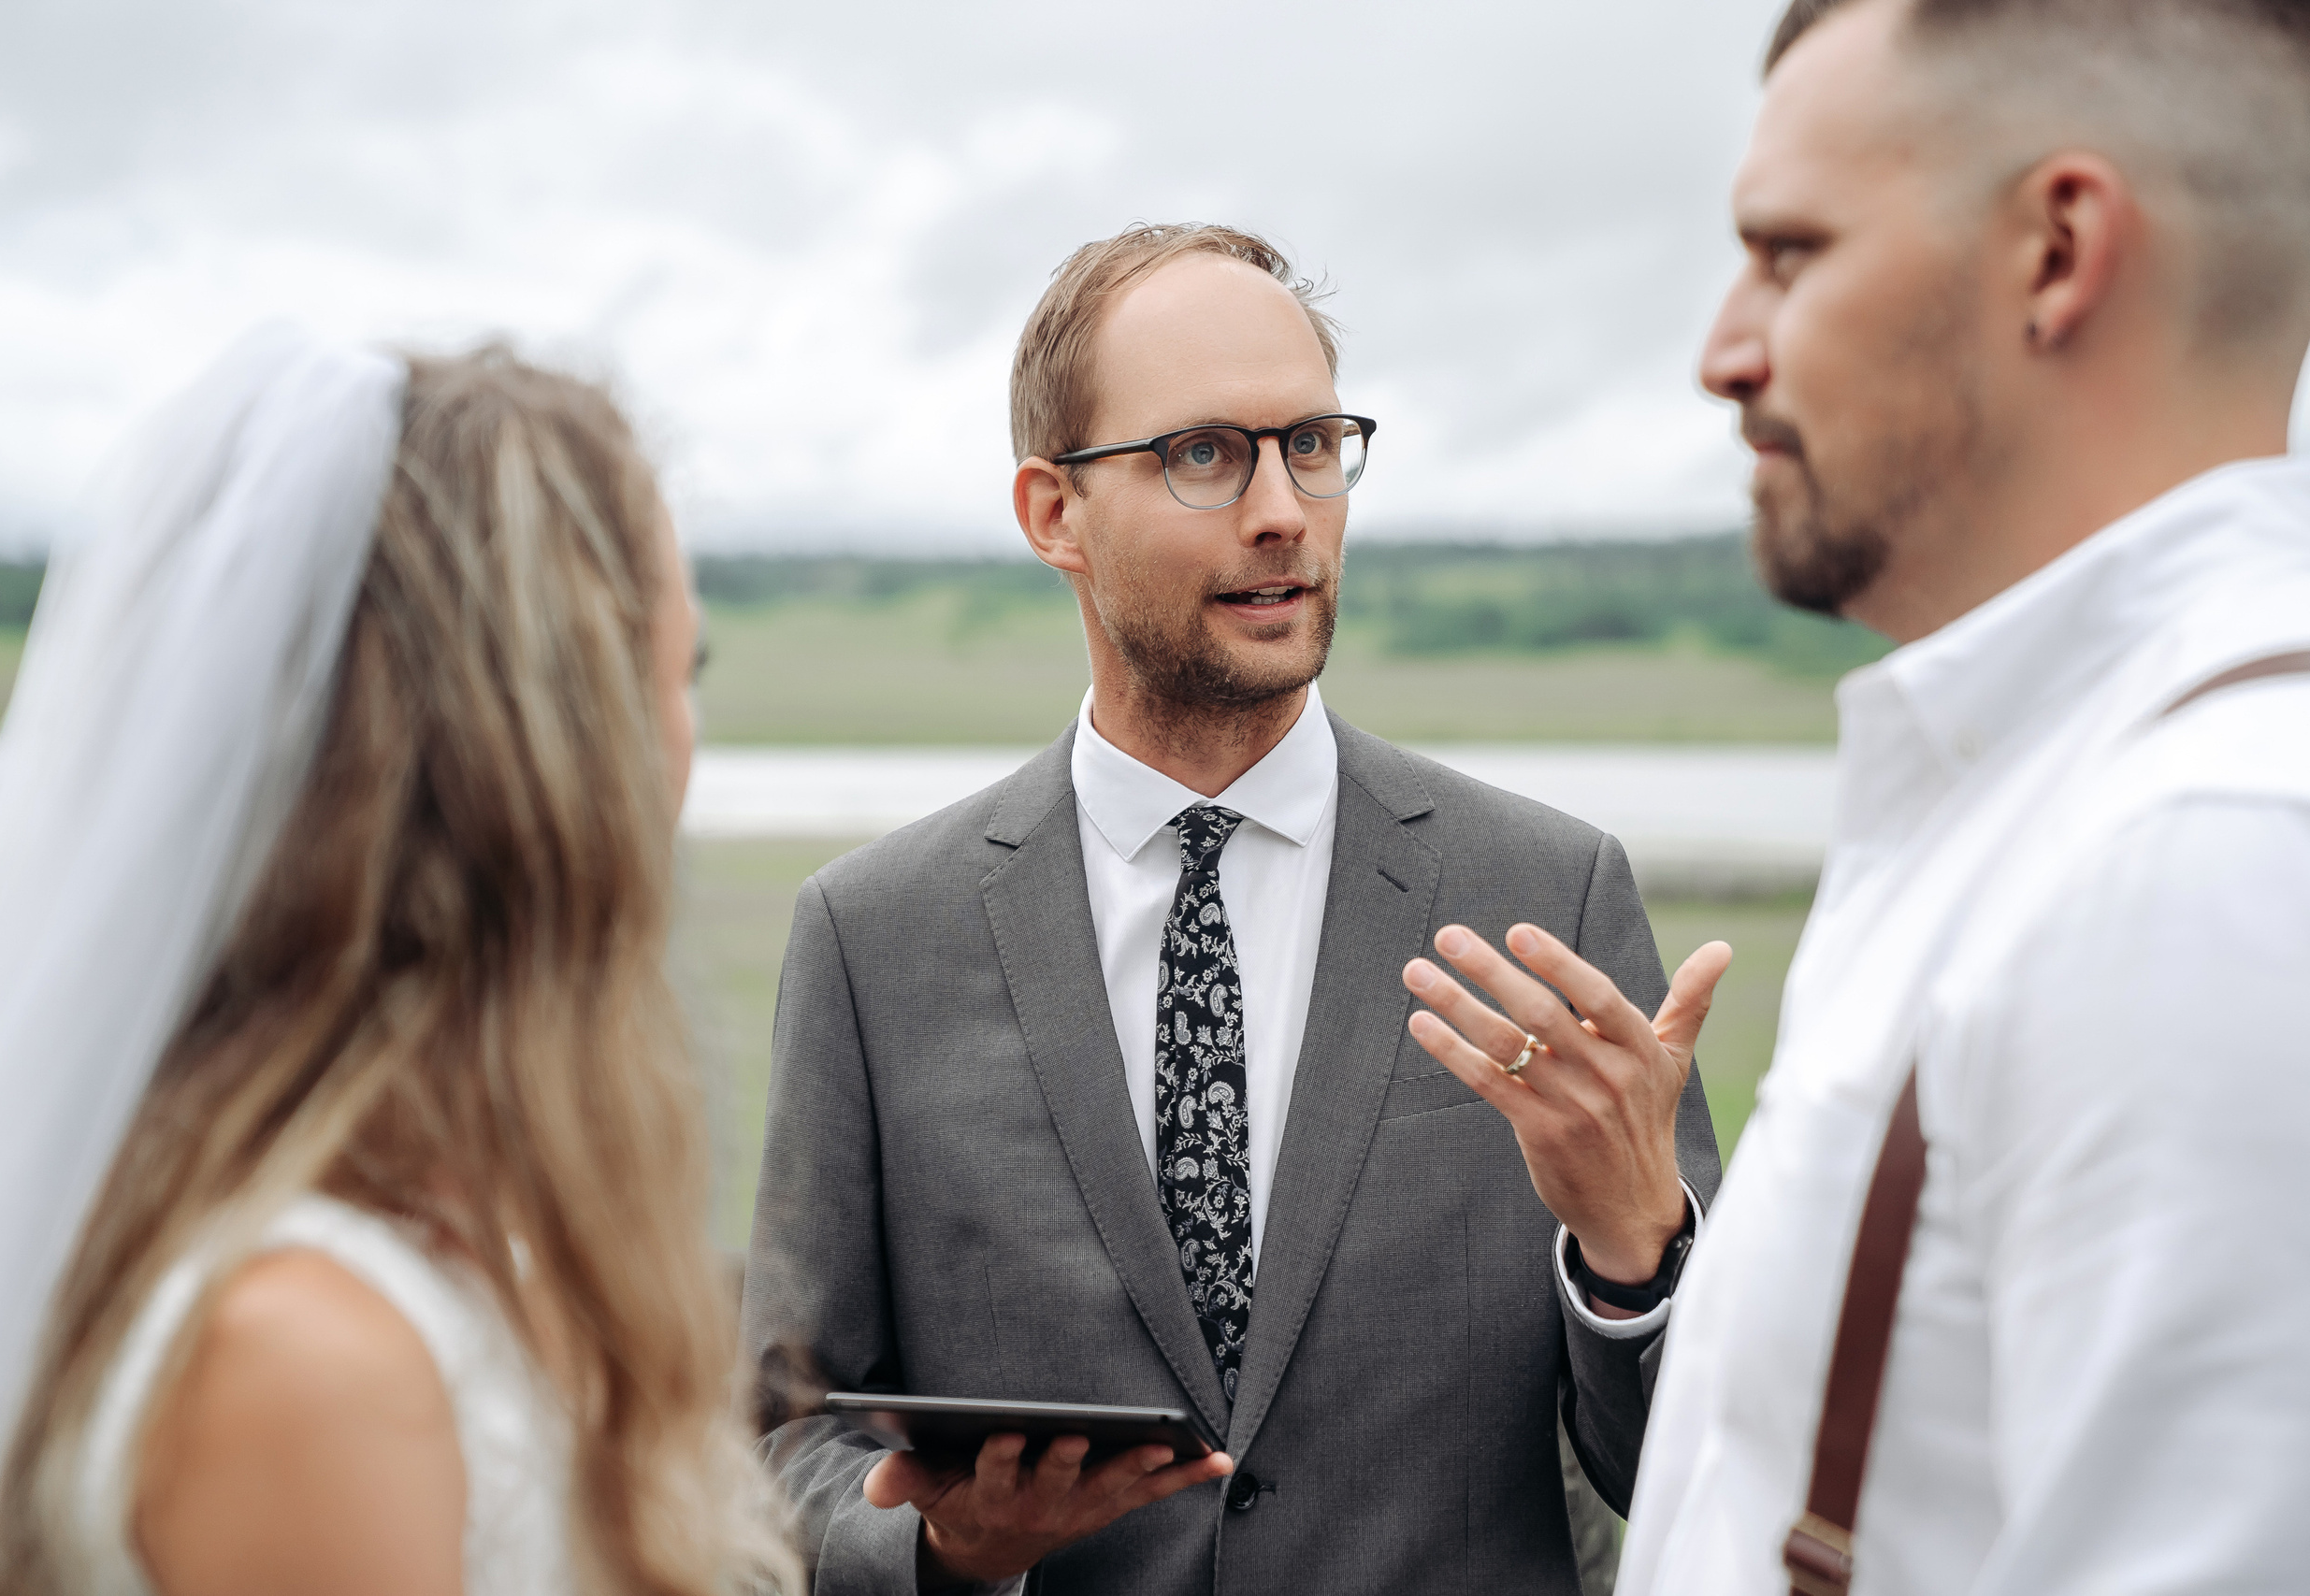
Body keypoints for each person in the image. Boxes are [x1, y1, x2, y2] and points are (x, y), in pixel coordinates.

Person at [1414, 3, 2310, 1591]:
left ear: (2057, 252)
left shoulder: (2211, 866)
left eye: (1790, 253)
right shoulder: (2033, 795)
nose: (1723, 352)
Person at [740, 223, 1732, 1595]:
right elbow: (783, 1449)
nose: (1282, 509)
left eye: (1310, 445)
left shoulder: (1545, 897)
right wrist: (941, 1550)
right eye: (1205, 454)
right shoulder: (873, 939)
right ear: (1053, 514)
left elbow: (1710, 1469)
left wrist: (1636, 1259)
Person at [0, 330, 800, 1595]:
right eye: (680, 667)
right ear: (559, 756)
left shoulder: (457, 1243)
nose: (684, 738)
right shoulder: (307, 1360)